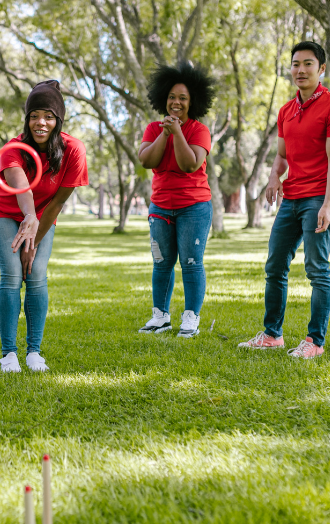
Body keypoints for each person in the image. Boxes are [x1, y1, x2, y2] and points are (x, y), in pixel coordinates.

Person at [238, 41, 330, 359]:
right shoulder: (286, 110)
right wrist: (274, 177)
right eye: (295, 64)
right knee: (274, 267)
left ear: (322, 69)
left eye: (308, 64)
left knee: (317, 270)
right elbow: (282, 155)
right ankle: (272, 335)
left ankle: (315, 342)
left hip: (319, 199)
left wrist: (328, 204)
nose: (300, 70)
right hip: (292, 199)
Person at [0, 80, 88, 373]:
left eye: (48, 115)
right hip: (3, 211)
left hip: (43, 216)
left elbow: (56, 204)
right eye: (34, 115)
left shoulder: (74, 151)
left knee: (36, 272)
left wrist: (34, 239)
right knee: (13, 273)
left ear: (58, 120)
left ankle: (34, 352)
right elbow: (22, 189)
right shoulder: (12, 149)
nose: (40, 122)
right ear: (27, 119)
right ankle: (9, 354)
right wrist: (28, 217)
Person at [137, 61, 217, 338]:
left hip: (193, 207)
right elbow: (147, 160)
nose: (176, 102)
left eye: (182, 98)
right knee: (161, 262)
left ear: (192, 101)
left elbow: (190, 165)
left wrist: (178, 132)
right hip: (161, 206)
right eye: (172, 97)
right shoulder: (152, 129)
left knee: (191, 262)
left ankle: (191, 318)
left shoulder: (199, 130)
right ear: (164, 99)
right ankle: (160, 316)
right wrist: (164, 132)